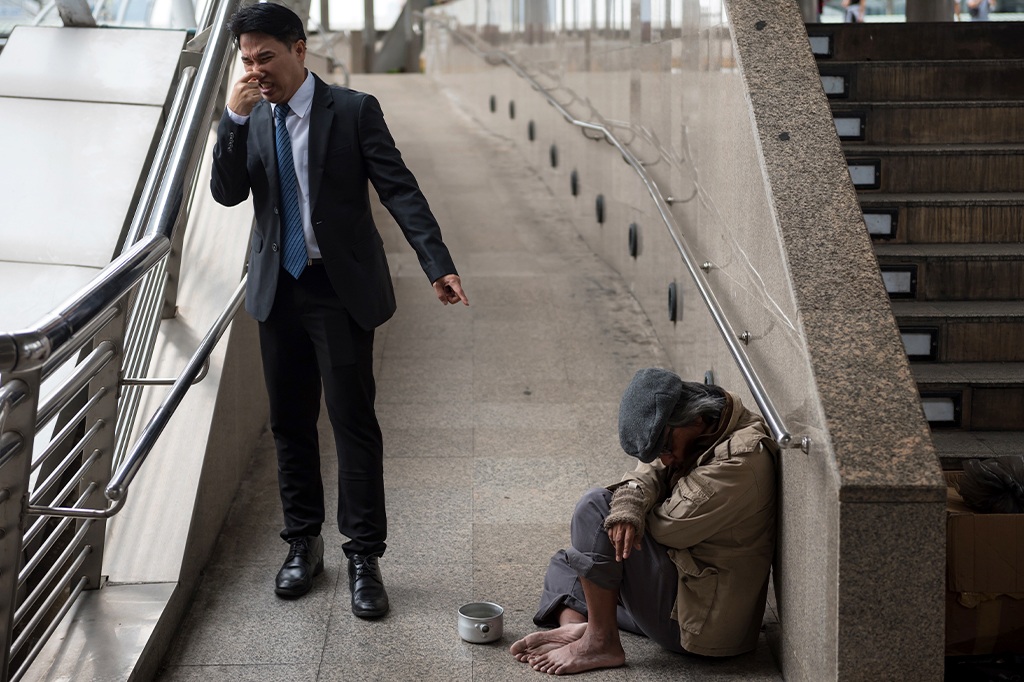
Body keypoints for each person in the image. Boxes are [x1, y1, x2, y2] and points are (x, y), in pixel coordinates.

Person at [210, 2, 468, 618]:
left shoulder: (352, 110)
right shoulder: (251, 116)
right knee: (290, 425)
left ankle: (363, 556)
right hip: (278, 289)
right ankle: (302, 545)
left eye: (266, 57)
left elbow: (399, 187)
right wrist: (231, 119)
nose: (256, 70)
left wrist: (438, 263)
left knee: (353, 421)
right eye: (247, 61)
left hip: (339, 290)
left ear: (300, 49)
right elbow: (227, 193)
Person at [511, 368, 778, 674]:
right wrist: (632, 499)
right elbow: (647, 467)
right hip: (683, 589)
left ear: (696, 419)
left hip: (701, 624)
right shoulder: (698, 427)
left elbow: (669, 528)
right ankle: (580, 628)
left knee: (595, 512)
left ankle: (601, 641)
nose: (664, 459)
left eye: (665, 448)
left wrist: (631, 505)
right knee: (573, 560)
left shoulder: (740, 461)